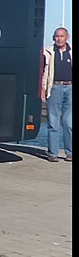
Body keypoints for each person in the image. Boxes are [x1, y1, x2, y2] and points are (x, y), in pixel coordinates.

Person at [40, 27, 73, 162]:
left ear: (67, 37)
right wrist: (43, 89)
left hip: (70, 88)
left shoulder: (71, 53)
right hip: (54, 88)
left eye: (61, 36)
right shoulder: (47, 52)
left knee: (68, 122)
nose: (59, 39)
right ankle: (53, 153)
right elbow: (43, 73)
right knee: (53, 122)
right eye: (56, 36)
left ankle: (69, 152)